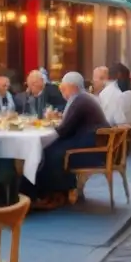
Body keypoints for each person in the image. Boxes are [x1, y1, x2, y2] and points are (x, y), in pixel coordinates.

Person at [33, 71, 110, 206]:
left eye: (64, 88)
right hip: (95, 143)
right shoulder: (83, 97)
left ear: (73, 87)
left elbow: (64, 130)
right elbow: (70, 124)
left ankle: (54, 194)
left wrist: (51, 130)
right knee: (53, 148)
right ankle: (64, 190)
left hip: (91, 149)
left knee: (49, 151)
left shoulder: (79, 100)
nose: (62, 92)